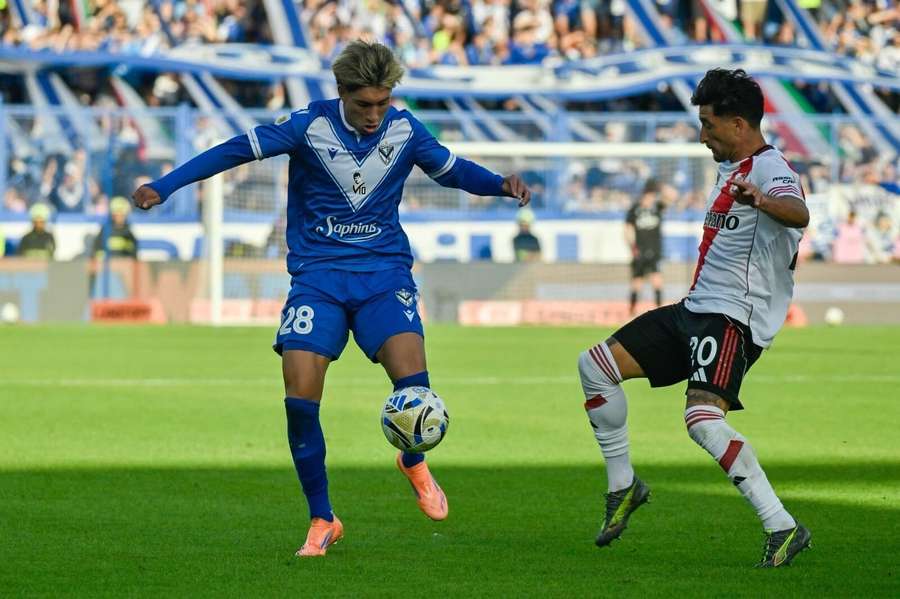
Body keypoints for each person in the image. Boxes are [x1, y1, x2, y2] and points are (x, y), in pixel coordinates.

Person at [132, 40, 530, 558]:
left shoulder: (406, 130)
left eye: (381, 104)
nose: (373, 115)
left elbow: (453, 170)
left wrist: (502, 184)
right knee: (299, 398)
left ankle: (412, 461)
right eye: (363, 104)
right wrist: (165, 185)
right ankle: (322, 517)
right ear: (341, 93)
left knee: (415, 391)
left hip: (384, 276)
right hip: (318, 278)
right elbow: (232, 150)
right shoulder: (306, 126)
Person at [576, 69, 811, 568]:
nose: (702, 135)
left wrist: (763, 200)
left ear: (740, 123)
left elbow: (797, 212)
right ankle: (624, 487)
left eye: (708, 124)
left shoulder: (770, 169)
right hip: (695, 309)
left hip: (733, 318)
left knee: (703, 420)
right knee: (595, 365)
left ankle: (782, 526)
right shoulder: (732, 167)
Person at [624, 178, 665, 315]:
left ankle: (659, 311)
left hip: (654, 251)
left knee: (657, 281)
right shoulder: (635, 210)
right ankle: (632, 310)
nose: (650, 199)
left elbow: (673, 196)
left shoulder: (657, 207)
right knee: (637, 282)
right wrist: (632, 246)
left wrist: (662, 187)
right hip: (640, 252)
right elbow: (627, 228)